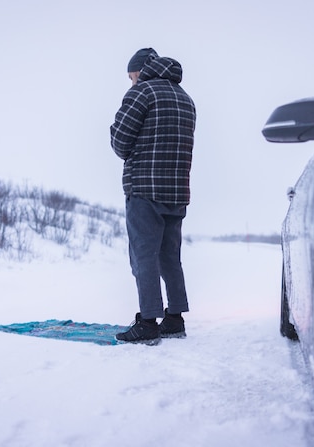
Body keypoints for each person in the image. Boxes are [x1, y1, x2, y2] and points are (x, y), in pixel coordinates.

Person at [110, 48, 196, 344]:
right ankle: (174, 318)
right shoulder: (185, 98)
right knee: (170, 256)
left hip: (144, 189)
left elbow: (121, 142)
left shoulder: (141, 93)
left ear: (140, 71)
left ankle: (147, 321)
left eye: (131, 75)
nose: (131, 81)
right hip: (177, 191)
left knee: (143, 256)